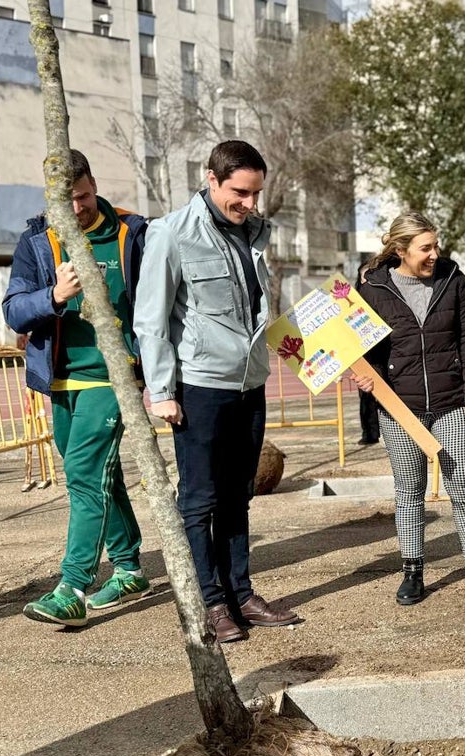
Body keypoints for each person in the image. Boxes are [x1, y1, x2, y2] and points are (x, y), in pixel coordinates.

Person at [135, 140, 299, 643]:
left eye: (256, 194)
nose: (249, 203)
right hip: (200, 387)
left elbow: (255, 314)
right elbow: (151, 320)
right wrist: (161, 390)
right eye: (240, 193)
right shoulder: (170, 234)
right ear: (211, 179)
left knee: (238, 495)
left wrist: (303, 348)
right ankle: (209, 602)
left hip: (249, 383)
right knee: (200, 500)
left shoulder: (253, 235)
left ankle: (241, 594)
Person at [3, 148, 150, 627]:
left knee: (85, 474)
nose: (81, 207)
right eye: (69, 201)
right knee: (101, 475)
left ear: (93, 184)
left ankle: (73, 586)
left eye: (85, 195)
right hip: (60, 379)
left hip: (113, 376)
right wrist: (53, 296)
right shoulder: (37, 240)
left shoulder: (133, 232)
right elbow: (14, 310)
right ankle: (128, 568)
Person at [352, 212, 465, 607]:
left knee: (464, 486)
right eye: (426, 248)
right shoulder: (374, 288)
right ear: (401, 250)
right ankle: (412, 572)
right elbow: (364, 348)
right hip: (400, 407)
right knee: (409, 490)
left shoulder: (452, 280)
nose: (435, 253)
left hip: (452, 403)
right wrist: (367, 379)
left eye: (436, 245)